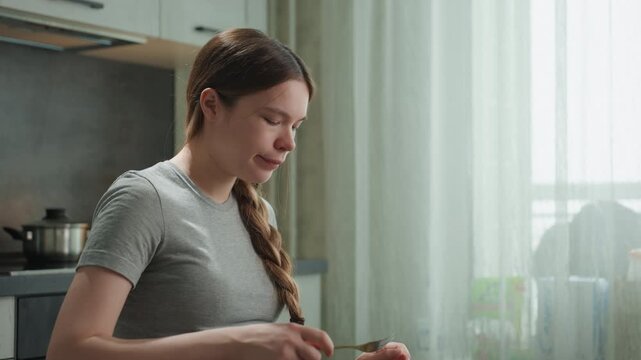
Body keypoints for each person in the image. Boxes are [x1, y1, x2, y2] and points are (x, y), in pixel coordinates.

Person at [46, 28, 411, 360]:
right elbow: (69, 351)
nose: (288, 143)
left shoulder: (259, 212)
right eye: (272, 120)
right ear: (211, 105)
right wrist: (235, 342)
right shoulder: (145, 199)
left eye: (296, 126)